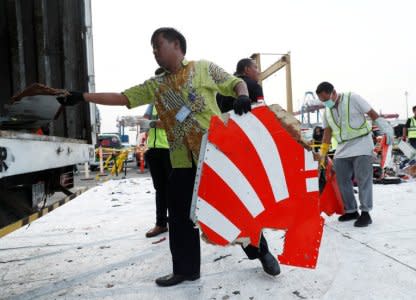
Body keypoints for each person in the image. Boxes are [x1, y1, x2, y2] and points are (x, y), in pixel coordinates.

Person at [57, 27, 253, 287]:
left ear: (176, 45)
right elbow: (122, 97)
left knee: (232, 208)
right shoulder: (156, 85)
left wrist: (243, 96)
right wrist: (82, 97)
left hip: (213, 154)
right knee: (180, 214)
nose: (154, 53)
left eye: (157, 47)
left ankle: (259, 251)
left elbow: (234, 82)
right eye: (152, 49)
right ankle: (186, 270)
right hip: (182, 161)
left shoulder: (203, 68)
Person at [216, 58, 280, 276]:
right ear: (245, 69)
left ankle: (257, 249)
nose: (258, 71)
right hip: (251, 153)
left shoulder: (219, 92)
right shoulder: (253, 87)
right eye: (255, 67)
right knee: (255, 203)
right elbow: (263, 118)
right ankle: (261, 251)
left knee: (239, 204)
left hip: (226, 154)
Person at [316, 82, 393, 227]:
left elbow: (372, 113)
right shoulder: (327, 111)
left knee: (363, 179)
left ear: (333, 92)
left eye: (326, 99)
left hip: (362, 144)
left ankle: (365, 213)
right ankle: (351, 210)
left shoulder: (353, 98)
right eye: (322, 101)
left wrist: (386, 129)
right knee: (342, 180)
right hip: (342, 148)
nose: (325, 103)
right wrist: (323, 152)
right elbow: (327, 132)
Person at [143, 103, 171, 238]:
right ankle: (161, 224)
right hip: (153, 150)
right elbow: (145, 120)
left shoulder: (178, 98)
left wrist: (150, 123)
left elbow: (173, 122)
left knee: (175, 189)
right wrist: (143, 122)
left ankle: (177, 222)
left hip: (171, 150)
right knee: (160, 189)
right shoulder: (153, 103)